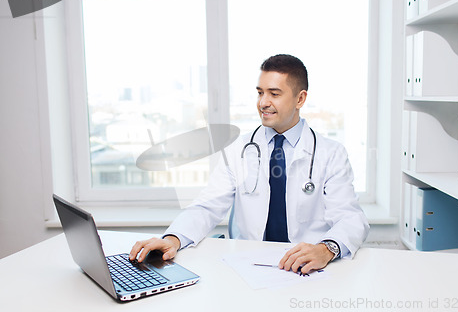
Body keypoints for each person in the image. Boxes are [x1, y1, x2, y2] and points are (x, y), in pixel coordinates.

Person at [130, 54, 369, 274]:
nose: (263, 102)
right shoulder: (237, 150)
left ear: (300, 98)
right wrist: (173, 238)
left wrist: (326, 249)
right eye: (259, 92)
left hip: (308, 269)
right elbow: (207, 207)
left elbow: (350, 218)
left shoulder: (331, 153)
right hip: (249, 267)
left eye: (274, 94)